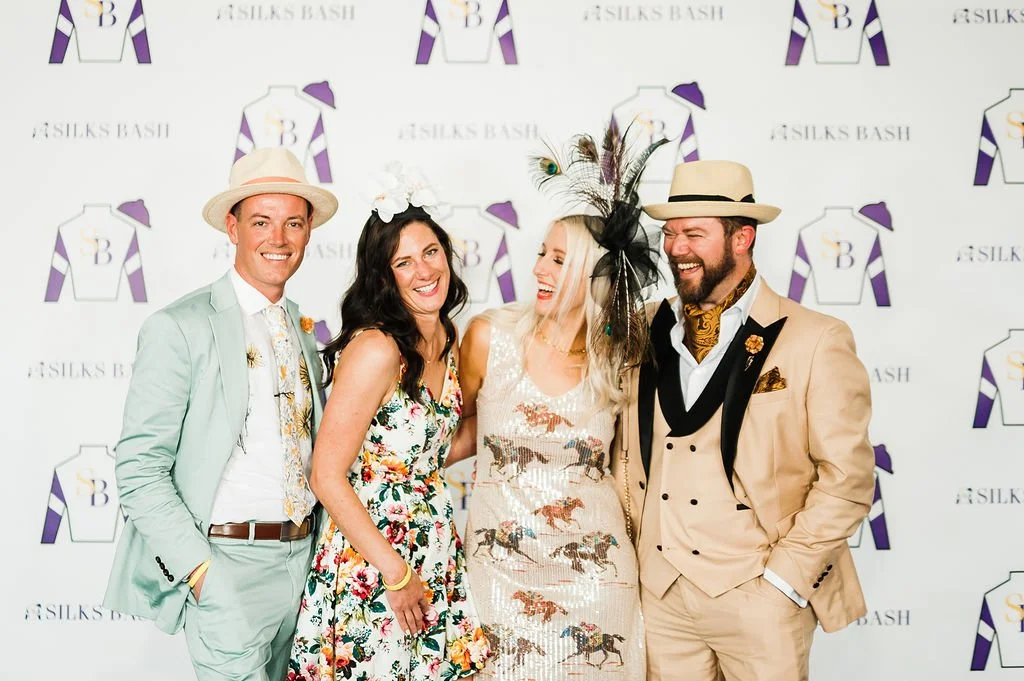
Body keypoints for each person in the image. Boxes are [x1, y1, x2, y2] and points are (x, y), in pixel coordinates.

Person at [612, 159, 875, 681]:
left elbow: (848, 479)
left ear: (742, 239)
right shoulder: (641, 327)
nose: (676, 248)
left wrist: (784, 582)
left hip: (759, 596)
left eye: (694, 234)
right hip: (660, 597)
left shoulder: (816, 338)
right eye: (670, 234)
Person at [103, 147, 338, 681]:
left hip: (306, 567)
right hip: (228, 564)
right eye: (261, 222)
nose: (278, 239)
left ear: (307, 234)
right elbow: (138, 467)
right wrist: (202, 571)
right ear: (232, 228)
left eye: (293, 224)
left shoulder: (305, 330)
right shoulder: (180, 326)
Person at [447, 131, 662, 679]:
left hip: (598, 578)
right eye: (542, 253)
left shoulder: (621, 356)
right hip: (500, 573)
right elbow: (453, 432)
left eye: (558, 259)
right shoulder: (489, 338)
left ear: (594, 275)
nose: (540, 268)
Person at [289, 165, 491, 680]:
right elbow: (326, 477)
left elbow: (429, 452)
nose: (425, 271)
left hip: (433, 549)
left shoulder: (449, 336)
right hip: (372, 560)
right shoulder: (377, 348)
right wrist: (395, 573)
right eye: (404, 262)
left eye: (431, 252)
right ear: (385, 277)